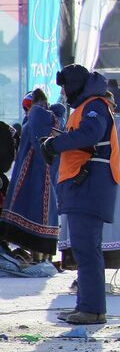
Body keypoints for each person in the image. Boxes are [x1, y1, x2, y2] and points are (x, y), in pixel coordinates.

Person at [41, 65, 120, 325]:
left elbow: (91, 134)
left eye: (65, 86)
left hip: (88, 186)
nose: (63, 91)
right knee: (85, 249)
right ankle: (87, 306)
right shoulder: (88, 106)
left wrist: (55, 144)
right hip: (84, 186)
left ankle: (91, 309)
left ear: (75, 84)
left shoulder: (94, 105)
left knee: (86, 250)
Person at [60, 93, 120, 274]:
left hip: (108, 178)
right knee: (91, 228)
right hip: (90, 177)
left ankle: (96, 274)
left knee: (105, 227)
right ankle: (89, 275)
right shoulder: (90, 122)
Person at [0, 91, 60, 260]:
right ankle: (39, 254)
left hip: (37, 173)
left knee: (37, 208)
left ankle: (40, 255)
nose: (27, 111)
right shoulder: (37, 118)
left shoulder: (39, 114)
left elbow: (39, 142)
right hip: (35, 172)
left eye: (28, 106)